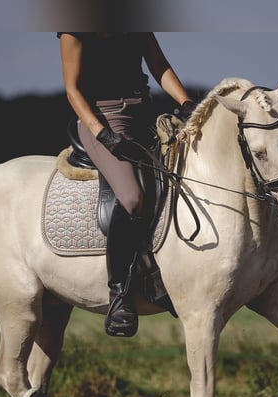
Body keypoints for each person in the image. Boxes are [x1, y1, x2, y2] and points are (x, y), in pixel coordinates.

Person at [58, 32, 195, 337]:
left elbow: (159, 66)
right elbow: (72, 89)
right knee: (132, 198)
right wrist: (101, 133)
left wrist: (186, 103)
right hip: (104, 119)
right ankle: (120, 296)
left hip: (145, 114)